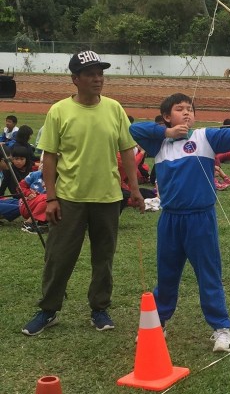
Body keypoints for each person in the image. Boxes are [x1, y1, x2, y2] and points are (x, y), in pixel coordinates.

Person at [130, 92, 230, 353]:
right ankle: (158, 323)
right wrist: (167, 133)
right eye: (179, 109)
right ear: (167, 117)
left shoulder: (204, 137)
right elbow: (134, 128)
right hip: (170, 220)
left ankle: (221, 327)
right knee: (167, 275)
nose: (187, 113)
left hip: (200, 219)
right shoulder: (159, 145)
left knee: (208, 274)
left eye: (190, 109)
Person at [21, 50, 145, 336]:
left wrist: (135, 190)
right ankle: (48, 310)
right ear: (75, 79)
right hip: (69, 198)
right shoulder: (59, 111)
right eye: (90, 74)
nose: (97, 78)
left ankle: (99, 309)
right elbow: (48, 158)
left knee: (104, 257)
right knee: (59, 256)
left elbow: (128, 151)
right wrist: (51, 198)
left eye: (100, 73)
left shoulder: (114, 109)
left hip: (108, 198)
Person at [19, 166, 49, 234]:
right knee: (48, 198)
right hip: (27, 204)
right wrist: (28, 193)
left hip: (43, 205)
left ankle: (42, 222)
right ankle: (27, 223)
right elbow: (20, 186)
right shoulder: (35, 175)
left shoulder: (59, 179)